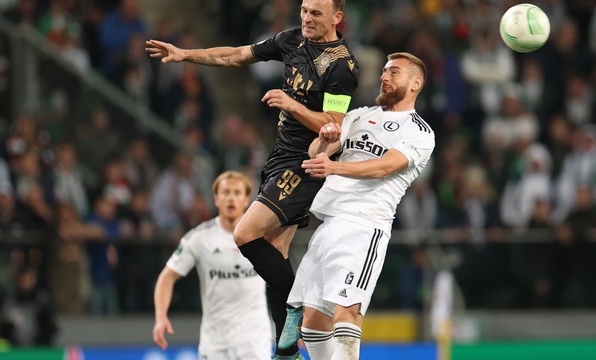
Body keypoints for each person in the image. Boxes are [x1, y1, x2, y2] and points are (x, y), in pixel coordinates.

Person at [146, 0, 358, 357]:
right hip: (280, 156)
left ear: (336, 18)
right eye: (304, 10)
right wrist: (185, 54)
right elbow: (235, 55)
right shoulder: (292, 40)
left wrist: (292, 105)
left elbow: (331, 129)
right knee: (274, 253)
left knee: (245, 234)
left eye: (315, 13)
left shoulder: (341, 66)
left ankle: (298, 304)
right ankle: (287, 350)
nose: (306, 18)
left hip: (307, 162)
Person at [290, 52, 435, 360]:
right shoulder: (358, 115)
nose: (383, 76)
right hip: (329, 222)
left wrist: (334, 168)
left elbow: (384, 166)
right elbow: (317, 151)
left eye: (393, 72)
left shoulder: (419, 131)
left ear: (415, 83)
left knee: (348, 313)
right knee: (312, 324)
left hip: (365, 225)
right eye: (384, 71)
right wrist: (325, 139)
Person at [152, 171, 273, 359]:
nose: (231, 198)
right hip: (215, 342)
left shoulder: (264, 235)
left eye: (237, 193)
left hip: (254, 339)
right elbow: (167, 277)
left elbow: (284, 280)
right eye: (225, 193)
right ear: (216, 199)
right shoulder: (200, 238)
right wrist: (160, 317)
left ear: (246, 200)